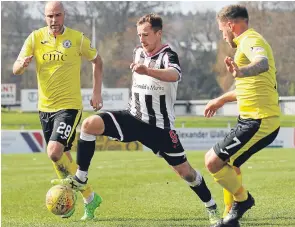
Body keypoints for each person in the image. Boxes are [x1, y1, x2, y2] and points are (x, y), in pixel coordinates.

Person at [52, 13, 220, 225]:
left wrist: (147, 70)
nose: (142, 38)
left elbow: (174, 75)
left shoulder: (169, 54)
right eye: (139, 34)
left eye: (146, 34)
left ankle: (211, 206)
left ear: (159, 33)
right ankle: (81, 177)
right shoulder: (138, 52)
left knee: (185, 173)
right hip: (132, 117)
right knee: (89, 125)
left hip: (159, 127)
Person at [12, 1, 103, 220]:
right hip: (44, 108)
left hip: (69, 106)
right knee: (60, 157)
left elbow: (97, 61)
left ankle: (68, 196)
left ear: (65, 15)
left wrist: (96, 92)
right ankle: (89, 198)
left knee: (54, 151)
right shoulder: (35, 38)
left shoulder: (77, 38)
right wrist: (22, 65)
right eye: (50, 16)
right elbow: (15, 68)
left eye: (58, 15)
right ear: (45, 17)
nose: (54, 20)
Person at [204, 5, 281, 227]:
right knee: (230, 165)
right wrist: (220, 100)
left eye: (221, 30)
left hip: (260, 121)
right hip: (251, 119)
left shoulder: (250, 40)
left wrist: (241, 71)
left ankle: (243, 201)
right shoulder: (242, 47)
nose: (222, 35)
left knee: (213, 161)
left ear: (231, 25)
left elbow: (262, 62)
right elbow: (247, 90)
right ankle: (232, 217)